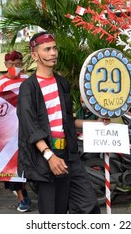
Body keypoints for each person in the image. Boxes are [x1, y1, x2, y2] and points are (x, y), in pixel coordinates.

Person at [16, 31, 101, 214]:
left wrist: (97, 124)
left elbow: (68, 120)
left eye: (54, 48)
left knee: (88, 205)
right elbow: (29, 126)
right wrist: (49, 156)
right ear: (35, 55)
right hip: (44, 158)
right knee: (54, 212)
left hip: (69, 155)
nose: (53, 53)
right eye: (47, 49)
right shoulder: (28, 88)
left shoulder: (61, 83)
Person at [0, 50, 31, 212]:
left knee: (28, 163)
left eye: (18, 64)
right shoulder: (0, 84)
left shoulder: (27, 80)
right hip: (9, 131)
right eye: (11, 64)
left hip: (27, 127)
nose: (15, 67)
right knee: (13, 165)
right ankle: (22, 198)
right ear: (5, 65)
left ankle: (25, 192)